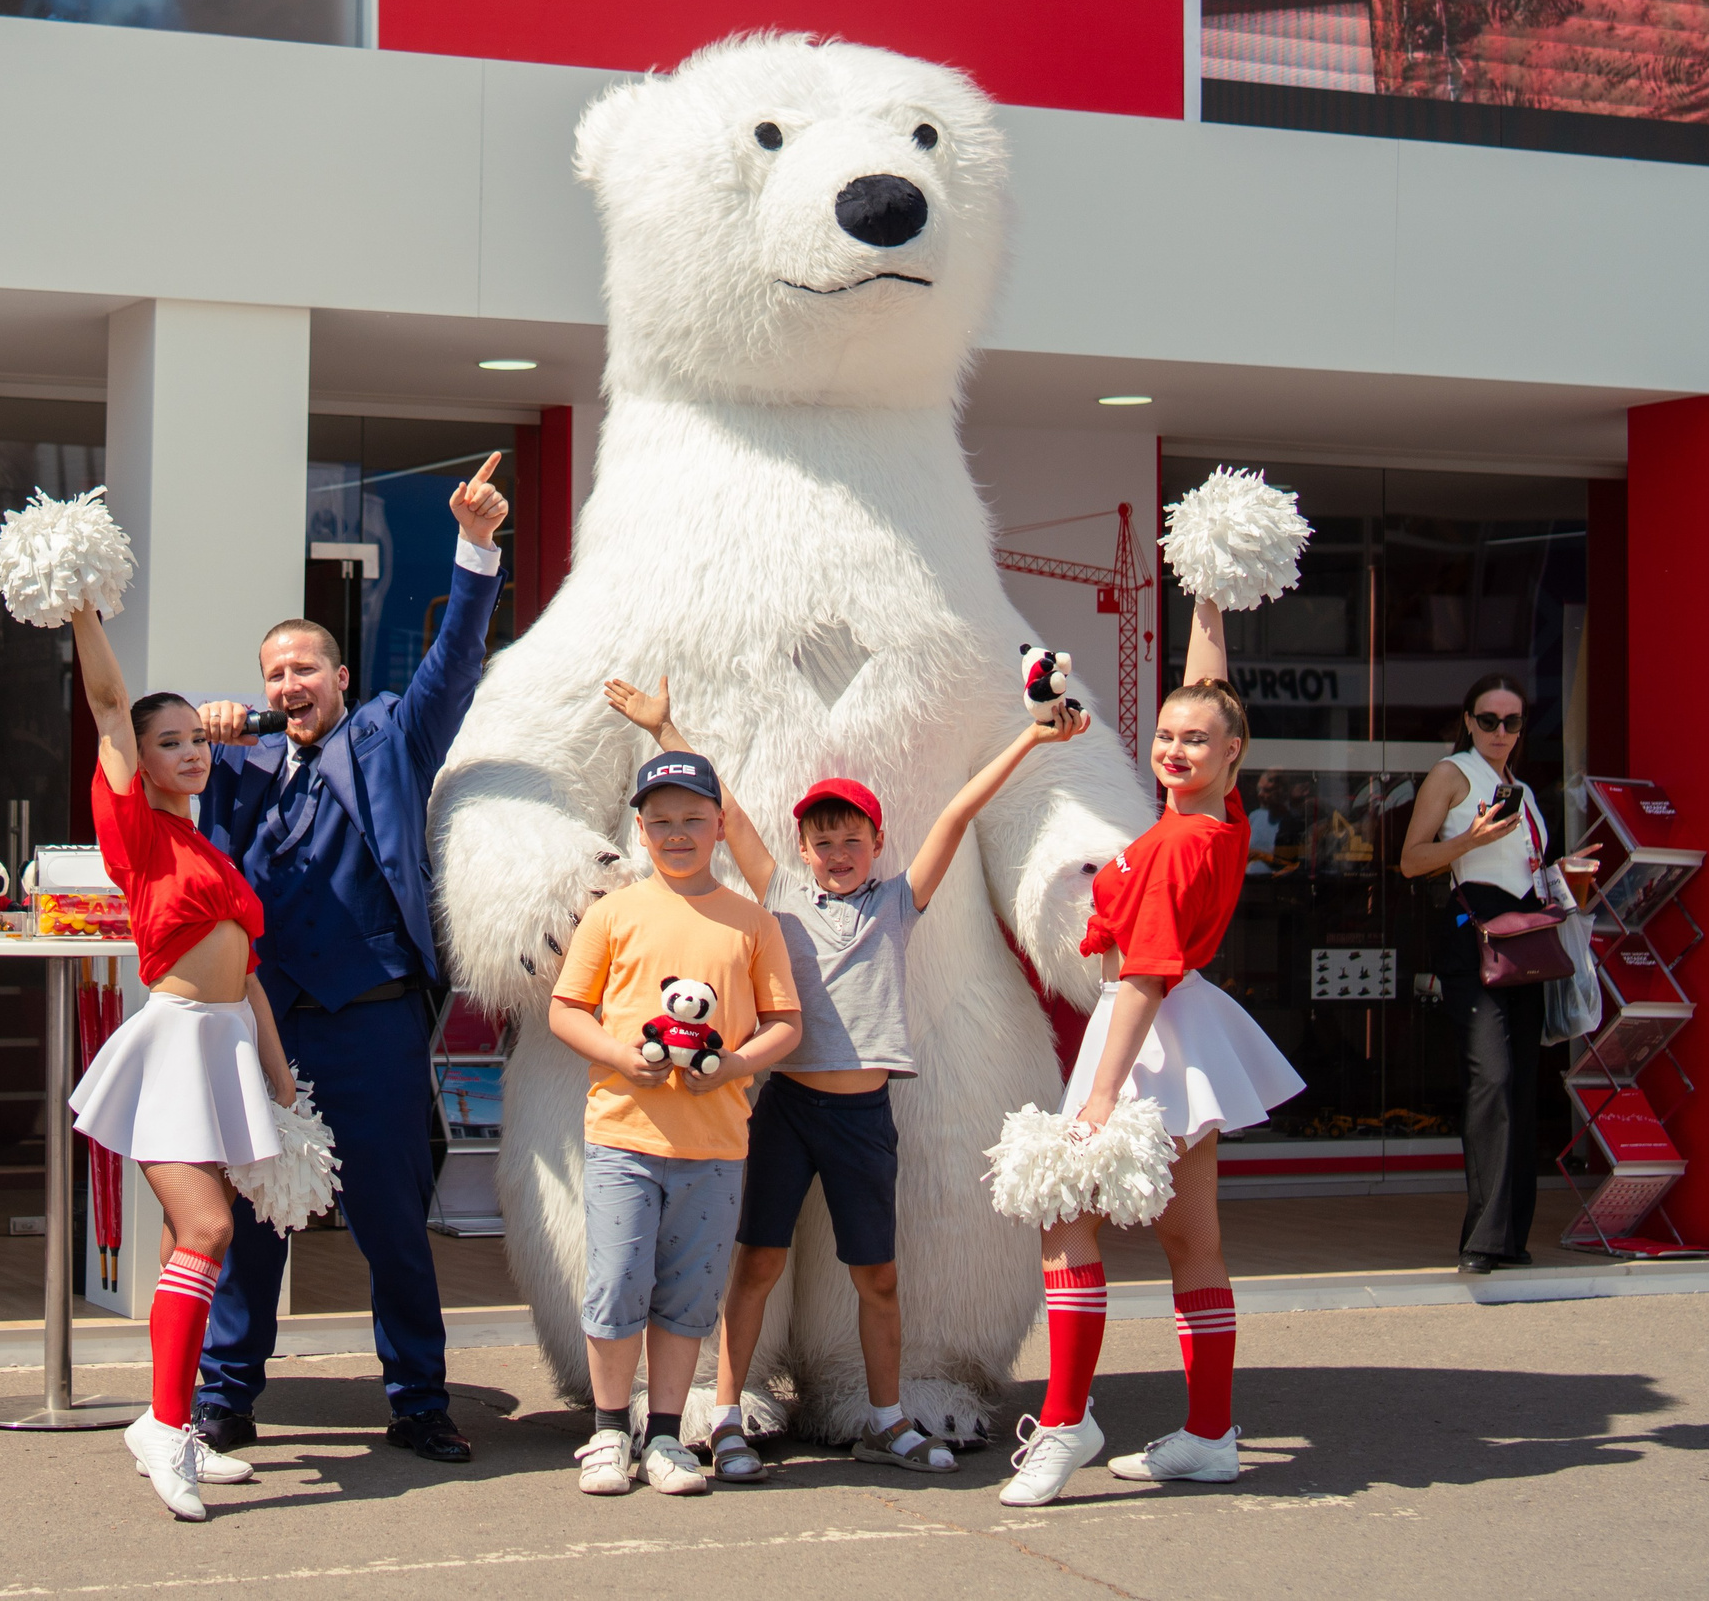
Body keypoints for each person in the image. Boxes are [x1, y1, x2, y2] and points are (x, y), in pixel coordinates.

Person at [605, 674, 1090, 1482]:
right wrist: (667, 730)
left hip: (866, 1116)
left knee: (880, 1278)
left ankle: (888, 1418)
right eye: (821, 840)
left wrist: (1032, 740)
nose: (835, 853)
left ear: (876, 841)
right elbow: (724, 805)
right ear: (803, 850)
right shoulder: (783, 891)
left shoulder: (899, 902)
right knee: (755, 1265)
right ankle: (723, 1415)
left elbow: (960, 811)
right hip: (786, 1108)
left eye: (850, 838)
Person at [183, 453, 512, 1464]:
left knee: (389, 1221)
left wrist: (474, 547)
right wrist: (199, 731)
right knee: (250, 1211)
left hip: (369, 1014)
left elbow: (453, 662)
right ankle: (226, 1395)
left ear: (338, 678)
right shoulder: (228, 762)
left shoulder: (386, 739)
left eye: (304, 671)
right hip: (265, 1016)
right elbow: (141, 771)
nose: (289, 686)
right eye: (274, 673)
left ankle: (417, 1400)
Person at [1000, 598, 1306, 1508]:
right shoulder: (1220, 819)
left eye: (1195, 741)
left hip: (1148, 1031)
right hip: (1187, 1029)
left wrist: (1096, 1099)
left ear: (1232, 755)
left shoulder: (1178, 846)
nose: (1173, 748)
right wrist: (1207, 601)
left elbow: (1138, 979)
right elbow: (1212, 689)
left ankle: (1066, 1422)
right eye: (1166, 734)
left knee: (1065, 1223)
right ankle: (1210, 1434)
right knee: (1191, 1241)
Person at [63, 600, 298, 1523]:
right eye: (169, 741)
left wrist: (280, 1079)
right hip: (172, 1048)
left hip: (228, 1048)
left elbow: (248, 976)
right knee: (207, 1231)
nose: (191, 752)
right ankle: (167, 1425)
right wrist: (82, 608)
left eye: (197, 739)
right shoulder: (135, 827)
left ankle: (167, 1421)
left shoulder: (206, 843)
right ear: (139, 757)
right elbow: (108, 697)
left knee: (181, 1240)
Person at [547, 751, 803, 1497]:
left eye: (693, 819)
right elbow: (567, 1009)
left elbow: (786, 1022)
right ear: (639, 828)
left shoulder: (753, 922)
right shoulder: (613, 912)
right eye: (661, 821)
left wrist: (734, 1065)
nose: (678, 832)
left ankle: (664, 1436)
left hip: (717, 1144)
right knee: (617, 1282)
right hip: (622, 1134)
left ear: (720, 826)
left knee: (688, 1296)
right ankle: (604, 1430)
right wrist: (622, 1056)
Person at [1399, 675, 1599, 1276]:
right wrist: (1471, 837)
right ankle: (1482, 1240)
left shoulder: (1523, 789)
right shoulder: (1452, 773)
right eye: (1489, 721)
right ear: (1468, 721)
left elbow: (1527, 870)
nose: (1501, 733)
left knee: (1519, 1087)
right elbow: (1411, 860)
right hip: (1475, 941)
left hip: (1525, 942)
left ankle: (1509, 1237)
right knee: (1492, 1081)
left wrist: (1565, 871)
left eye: (1512, 723)